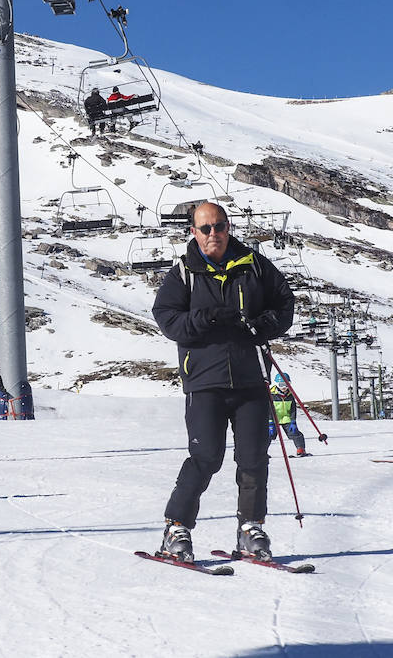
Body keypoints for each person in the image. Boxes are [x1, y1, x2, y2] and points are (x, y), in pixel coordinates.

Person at [151, 202, 295, 561]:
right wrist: (206, 319)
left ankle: (251, 527)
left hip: (250, 379)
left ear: (228, 227)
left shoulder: (254, 264)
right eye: (205, 228)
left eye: (219, 226)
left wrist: (262, 326)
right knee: (205, 456)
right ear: (193, 232)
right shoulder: (184, 272)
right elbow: (167, 318)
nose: (213, 234)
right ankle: (176, 528)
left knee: (254, 459)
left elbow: (285, 304)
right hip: (205, 381)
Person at [268, 370, 309, 457]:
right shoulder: (271, 395)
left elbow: (293, 409)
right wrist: (270, 421)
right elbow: (268, 409)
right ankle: (261, 452)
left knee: (295, 433)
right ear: (277, 384)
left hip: (286, 418)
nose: (284, 387)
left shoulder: (290, 395)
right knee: (268, 435)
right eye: (282, 385)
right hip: (273, 419)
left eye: (287, 384)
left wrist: (293, 421)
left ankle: (300, 449)